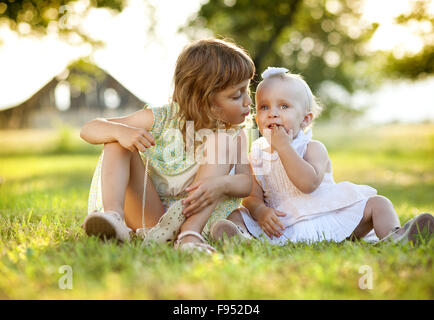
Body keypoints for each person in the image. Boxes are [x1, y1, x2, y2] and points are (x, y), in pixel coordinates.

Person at [209, 67, 434, 246]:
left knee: (379, 203)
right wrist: (261, 211)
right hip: (283, 224)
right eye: (264, 107)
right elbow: (251, 196)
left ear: (305, 119)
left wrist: (284, 148)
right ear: (257, 118)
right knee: (237, 215)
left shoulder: (312, 147)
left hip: (326, 215)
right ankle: (245, 241)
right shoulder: (257, 154)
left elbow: (308, 184)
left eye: (284, 106)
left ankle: (395, 238)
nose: (273, 113)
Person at [80, 38, 254, 253]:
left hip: (196, 217)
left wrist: (222, 185)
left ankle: (190, 235)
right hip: (150, 216)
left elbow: (246, 183)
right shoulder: (161, 118)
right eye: (237, 95)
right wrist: (119, 131)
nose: (248, 101)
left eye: (246, 90)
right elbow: (88, 129)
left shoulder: (234, 134)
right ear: (203, 100)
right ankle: (114, 218)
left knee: (222, 141)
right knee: (116, 139)